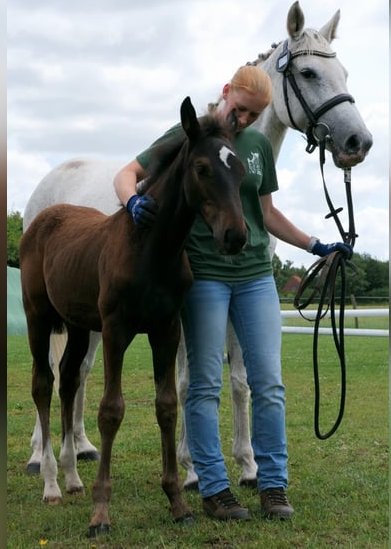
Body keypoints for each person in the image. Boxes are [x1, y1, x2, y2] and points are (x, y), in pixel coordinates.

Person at [113, 65, 352, 521]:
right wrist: (133, 201)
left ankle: (273, 484)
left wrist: (315, 244)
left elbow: (266, 212)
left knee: (269, 383)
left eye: (253, 114)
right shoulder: (187, 137)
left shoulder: (258, 146)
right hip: (203, 274)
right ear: (226, 94)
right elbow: (129, 173)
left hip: (257, 275)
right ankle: (214, 487)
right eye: (239, 109)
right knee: (203, 384)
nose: (243, 120)